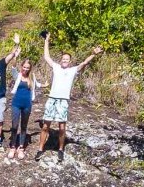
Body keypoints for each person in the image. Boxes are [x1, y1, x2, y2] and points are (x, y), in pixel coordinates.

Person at [36, 33, 103, 161]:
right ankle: (40, 149)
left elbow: (84, 63)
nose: (65, 61)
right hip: (52, 99)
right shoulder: (56, 67)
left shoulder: (73, 70)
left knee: (62, 127)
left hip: (63, 101)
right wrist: (47, 40)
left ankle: (61, 149)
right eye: (63, 59)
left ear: (70, 61)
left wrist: (94, 54)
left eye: (67, 59)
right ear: (61, 60)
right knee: (45, 126)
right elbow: (47, 56)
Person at [6, 56, 37, 162]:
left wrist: (45, 85)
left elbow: (37, 85)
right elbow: (13, 67)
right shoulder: (17, 75)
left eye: (28, 67)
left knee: (24, 127)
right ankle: (13, 147)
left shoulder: (31, 78)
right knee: (14, 126)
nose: (25, 69)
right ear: (21, 66)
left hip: (27, 105)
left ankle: (21, 147)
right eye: (24, 67)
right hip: (16, 104)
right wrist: (15, 55)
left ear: (30, 68)